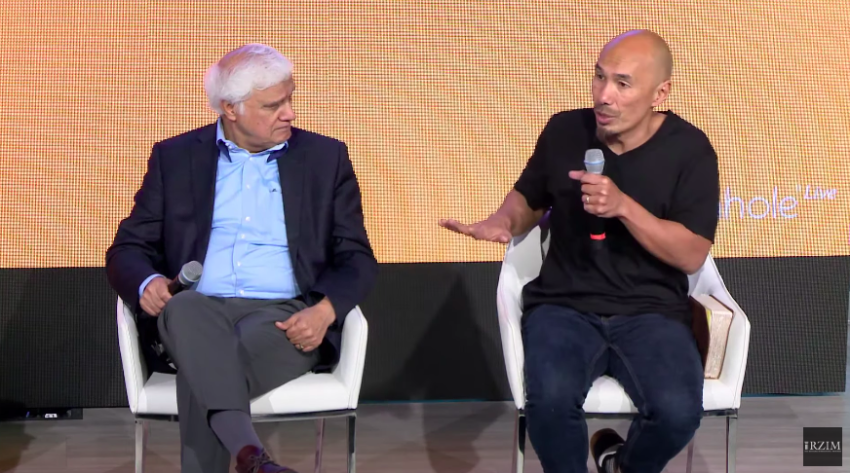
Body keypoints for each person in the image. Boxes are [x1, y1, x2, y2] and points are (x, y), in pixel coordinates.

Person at [440, 30, 719, 473]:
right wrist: (501, 222)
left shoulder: (691, 150)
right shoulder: (564, 130)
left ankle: (621, 464)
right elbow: (529, 198)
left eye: (622, 84)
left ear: (659, 93)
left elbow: (690, 255)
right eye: (599, 77)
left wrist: (625, 207)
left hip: (651, 311)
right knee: (549, 406)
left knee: (678, 413)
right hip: (564, 305)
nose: (604, 96)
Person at [106, 43, 378, 473]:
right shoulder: (175, 158)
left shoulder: (325, 158)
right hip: (196, 311)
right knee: (188, 309)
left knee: (206, 370)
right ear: (230, 109)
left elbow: (357, 257)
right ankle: (254, 459)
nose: (289, 113)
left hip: (283, 319)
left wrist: (325, 310)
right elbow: (127, 249)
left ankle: (251, 457)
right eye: (274, 105)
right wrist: (146, 283)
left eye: (290, 99)